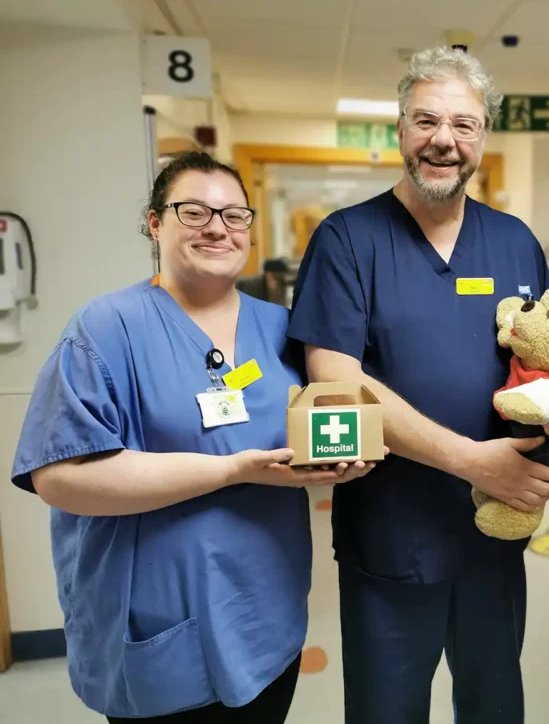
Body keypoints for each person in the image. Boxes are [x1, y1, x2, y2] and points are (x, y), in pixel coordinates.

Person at [286, 46, 549, 724]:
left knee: (493, 703)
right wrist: (472, 461)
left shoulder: (513, 242)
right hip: (394, 533)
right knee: (387, 710)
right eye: (426, 120)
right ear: (399, 130)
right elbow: (334, 379)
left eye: (464, 125)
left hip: (494, 532)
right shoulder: (349, 240)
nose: (444, 140)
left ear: (482, 136)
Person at [10, 152, 383, 723]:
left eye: (235, 215)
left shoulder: (282, 328)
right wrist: (232, 470)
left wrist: (336, 464)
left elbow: (313, 428)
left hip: (265, 614)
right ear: (156, 223)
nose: (217, 227)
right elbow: (60, 480)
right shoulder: (106, 328)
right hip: (159, 624)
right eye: (195, 211)